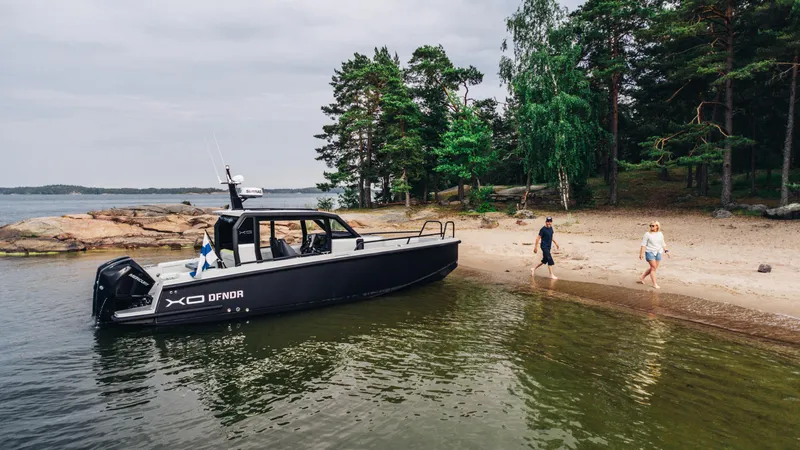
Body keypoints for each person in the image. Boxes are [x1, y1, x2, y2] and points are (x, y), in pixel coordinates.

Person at [638, 220, 670, 289]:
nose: (651, 227)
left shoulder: (660, 234)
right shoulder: (647, 234)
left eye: (653, 225)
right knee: (653, 268)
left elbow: (663, 243)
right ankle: (655, 284)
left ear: (657, 226)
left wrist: (666, 251)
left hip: (658, 252)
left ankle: (642, 277)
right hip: (650, 252)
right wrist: (641, 254)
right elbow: (643, 244)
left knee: (653, 268)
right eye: (650, 225)